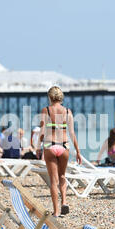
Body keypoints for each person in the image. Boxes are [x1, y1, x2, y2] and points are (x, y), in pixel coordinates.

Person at [37, 86, 81, 218]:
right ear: (61, 97)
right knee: (62, 176)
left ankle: (56, 211)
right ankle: (65, 201)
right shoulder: (67, 111)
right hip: (64, 146)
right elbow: (72, 133)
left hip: (50, 146)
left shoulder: (46, 110)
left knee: (53, 180)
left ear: (50, 97)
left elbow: (42, 131)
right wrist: (78, 151)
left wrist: (38, 146)